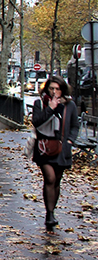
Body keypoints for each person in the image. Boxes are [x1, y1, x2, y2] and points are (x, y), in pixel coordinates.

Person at [31, 75, 80, 231]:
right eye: (51, 88)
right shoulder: (40, 103)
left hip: (62, 148)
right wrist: (50, 108)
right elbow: (36, 122)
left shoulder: (70, 105)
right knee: (50, 178)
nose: (54, 92)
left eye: (57, 89)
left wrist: (70, 141)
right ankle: (49, 214)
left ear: (62, 90)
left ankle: (52, 210)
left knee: (57, 180)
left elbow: (75, 125)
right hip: (44, 147)